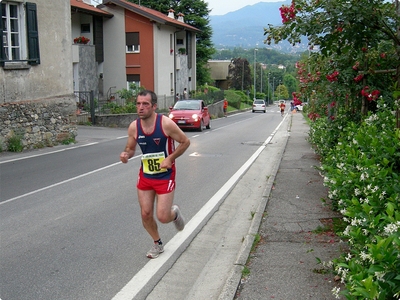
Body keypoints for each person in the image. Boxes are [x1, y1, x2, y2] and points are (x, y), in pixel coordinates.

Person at [120, 90, 190, 259]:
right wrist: (126, 155)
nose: (141, 107)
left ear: (154, 106)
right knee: (145, 213)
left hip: (165, 175)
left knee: (163, 216)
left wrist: (170, 158)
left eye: (145, 104)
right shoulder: (134, 127)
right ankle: (157, 243)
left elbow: (185, 142)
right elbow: (130, 148)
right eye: (138, 104)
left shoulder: (165, 124)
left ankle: (174, 214)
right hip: (146, 174)